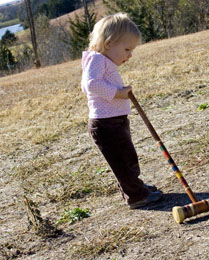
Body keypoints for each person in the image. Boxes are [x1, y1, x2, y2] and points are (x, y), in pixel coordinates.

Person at [81, 13, 162, 209]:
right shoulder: (97, 59)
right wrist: (118, 93)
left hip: (114, 120)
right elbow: (89, 85)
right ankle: (135, 195)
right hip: (106, 124)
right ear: (109, 43)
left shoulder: (103, 60)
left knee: (127, 157)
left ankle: (135, 186)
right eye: (127, 49)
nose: (130, 55)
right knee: (122, 162)